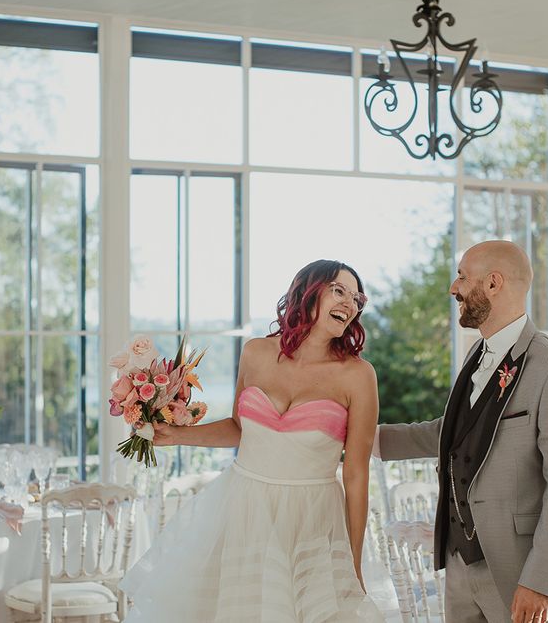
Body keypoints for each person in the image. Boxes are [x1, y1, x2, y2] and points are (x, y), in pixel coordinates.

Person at [120, 260, 385, 622]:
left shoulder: (358, 376)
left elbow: (356, 475)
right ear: (307, 292)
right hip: (243, 508)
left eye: (357, 298)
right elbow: (238, 428)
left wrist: (352, 563)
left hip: (312, 520)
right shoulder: (256, 353)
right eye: (339, 291)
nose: (350, 304)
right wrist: (179, 435)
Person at [374, 240, 548, 623]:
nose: (453, 287)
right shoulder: (475, 356)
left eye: (462, 276)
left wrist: (540, 582)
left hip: (520, 572)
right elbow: (454, 434)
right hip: (460, 564)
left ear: (493, 283)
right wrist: (364, 438)